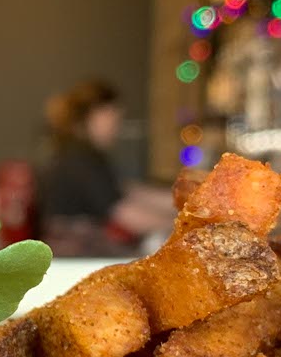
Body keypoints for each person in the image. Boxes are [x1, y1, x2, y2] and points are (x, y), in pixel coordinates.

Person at [36, 79, 176, 255]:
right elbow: (125, 213)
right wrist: (181, 223)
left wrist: (185, 200)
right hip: (76, 254)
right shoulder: (81, 158)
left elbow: (126, 191)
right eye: (114, 117)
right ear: (95, 115)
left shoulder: (78, 152)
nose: (117, 127)